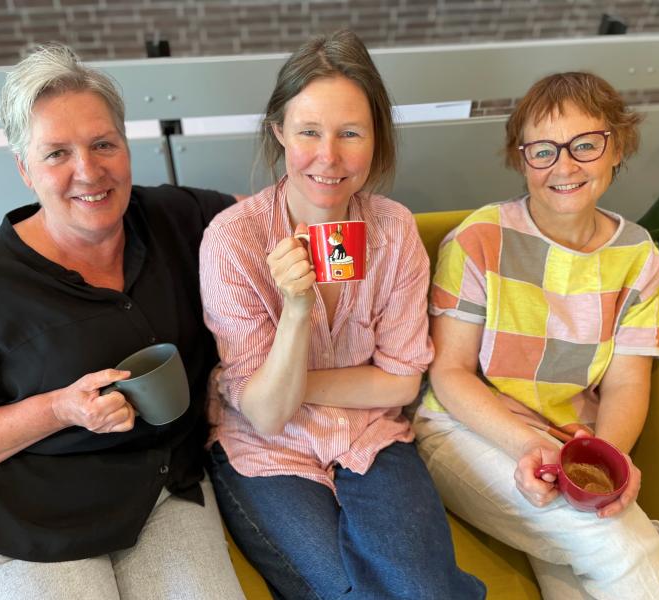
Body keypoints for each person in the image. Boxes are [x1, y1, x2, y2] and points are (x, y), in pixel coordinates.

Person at [0, 44, 245, 600]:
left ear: (126, 147)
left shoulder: (177, 218)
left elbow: (271, 217)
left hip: (163, 490)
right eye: (57, 153)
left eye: (104, 144)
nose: (88, 170)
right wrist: (57, 409)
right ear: (25, 170)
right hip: (24, 510)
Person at [200, 30, 485, 600]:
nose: (328, 157)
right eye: (309, 131)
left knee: (426, 591)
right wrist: (296, 310)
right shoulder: (233, 241)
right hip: (266, 452)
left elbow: (400, 382)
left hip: (370, 436)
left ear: (376, 139)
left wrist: (293, 388)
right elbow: (265, 416)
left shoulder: (393, 230)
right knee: (348, 592)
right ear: (279, 131)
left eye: (350, 133)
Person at [413, 71, 659, 599]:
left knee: (581, 572)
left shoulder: (638, 256)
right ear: (522, 160)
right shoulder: (479, 239)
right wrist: (530, 447)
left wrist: (602, 460)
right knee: (620, 544)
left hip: (574, 442)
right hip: (467, 430)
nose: (564, 166)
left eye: (585, 145)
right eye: (543, 151)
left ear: (617, 147)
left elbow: (626, 383)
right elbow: (449, 373)